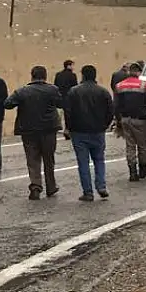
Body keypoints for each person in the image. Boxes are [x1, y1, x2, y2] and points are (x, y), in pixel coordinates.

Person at [5, 64, 65, 200]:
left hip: (28, 130)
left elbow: (7, 104)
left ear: (32, 76)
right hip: (49, 129)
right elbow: (61, 103)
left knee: (32, 160)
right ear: (44, 76)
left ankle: (35, 187)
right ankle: (51, 186)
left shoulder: (22, 91)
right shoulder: (52, 89)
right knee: (49, 159)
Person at [63, 64, 115, 202]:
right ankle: (101, 186)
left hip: (79, 132)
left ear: (83, 75)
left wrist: (69, 128)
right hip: (98, 131)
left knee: (83, 163)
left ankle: (88, 192)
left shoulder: (74, 92)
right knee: (99, 160)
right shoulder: (103, 92)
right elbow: (111, 111)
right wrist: (104, 125)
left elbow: (68, 112)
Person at [113, 61, 146, 182]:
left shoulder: (119, 85)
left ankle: (132, 172)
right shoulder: (144, 85)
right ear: (138, 72)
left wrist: (118, 120)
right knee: (142, 146)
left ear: (129, 72)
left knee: (130, 146)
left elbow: (116, 105)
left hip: (125, 119)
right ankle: (143, 169)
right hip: (140, 120)